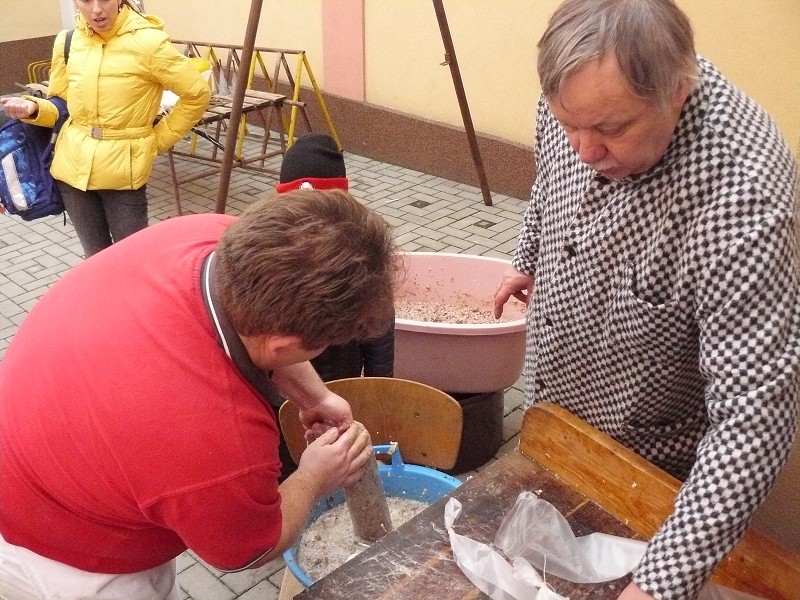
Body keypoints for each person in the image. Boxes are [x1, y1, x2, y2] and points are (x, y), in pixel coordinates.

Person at [493, 1, 799, 599]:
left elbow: (754, 419)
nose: (584, 150)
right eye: (567, 122)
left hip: (649, 465)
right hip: (557, 414)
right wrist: (528, 255)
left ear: (678, 91)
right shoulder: (580, 96)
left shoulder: (744, 201)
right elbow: (548, 180)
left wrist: (660, 584)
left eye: (611, 131)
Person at [0, 188, 399, 599]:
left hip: (46, 429)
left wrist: (316, 398)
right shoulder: (216, 435)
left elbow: (259, 336)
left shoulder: (214, 238)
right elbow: (246, 552)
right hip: (63, 551)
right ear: (283, 345)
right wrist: (314, 476)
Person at [0, 0, 210, 258]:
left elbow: (197, 95)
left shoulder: (150, 43)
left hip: (123, 174)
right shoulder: (68, 42)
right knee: (95, 260)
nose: (97, 9)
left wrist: (156, 141)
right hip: (73, 171)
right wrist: (34, 109)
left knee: (131, 260)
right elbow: (62, 105)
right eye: (87, 0)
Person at [276, 131, 396, 382]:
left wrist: (379, 383)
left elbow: (379, 327)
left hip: (343, 372)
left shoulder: (361, 245)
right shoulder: (270, 245)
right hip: (284, 379)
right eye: (297, 207)